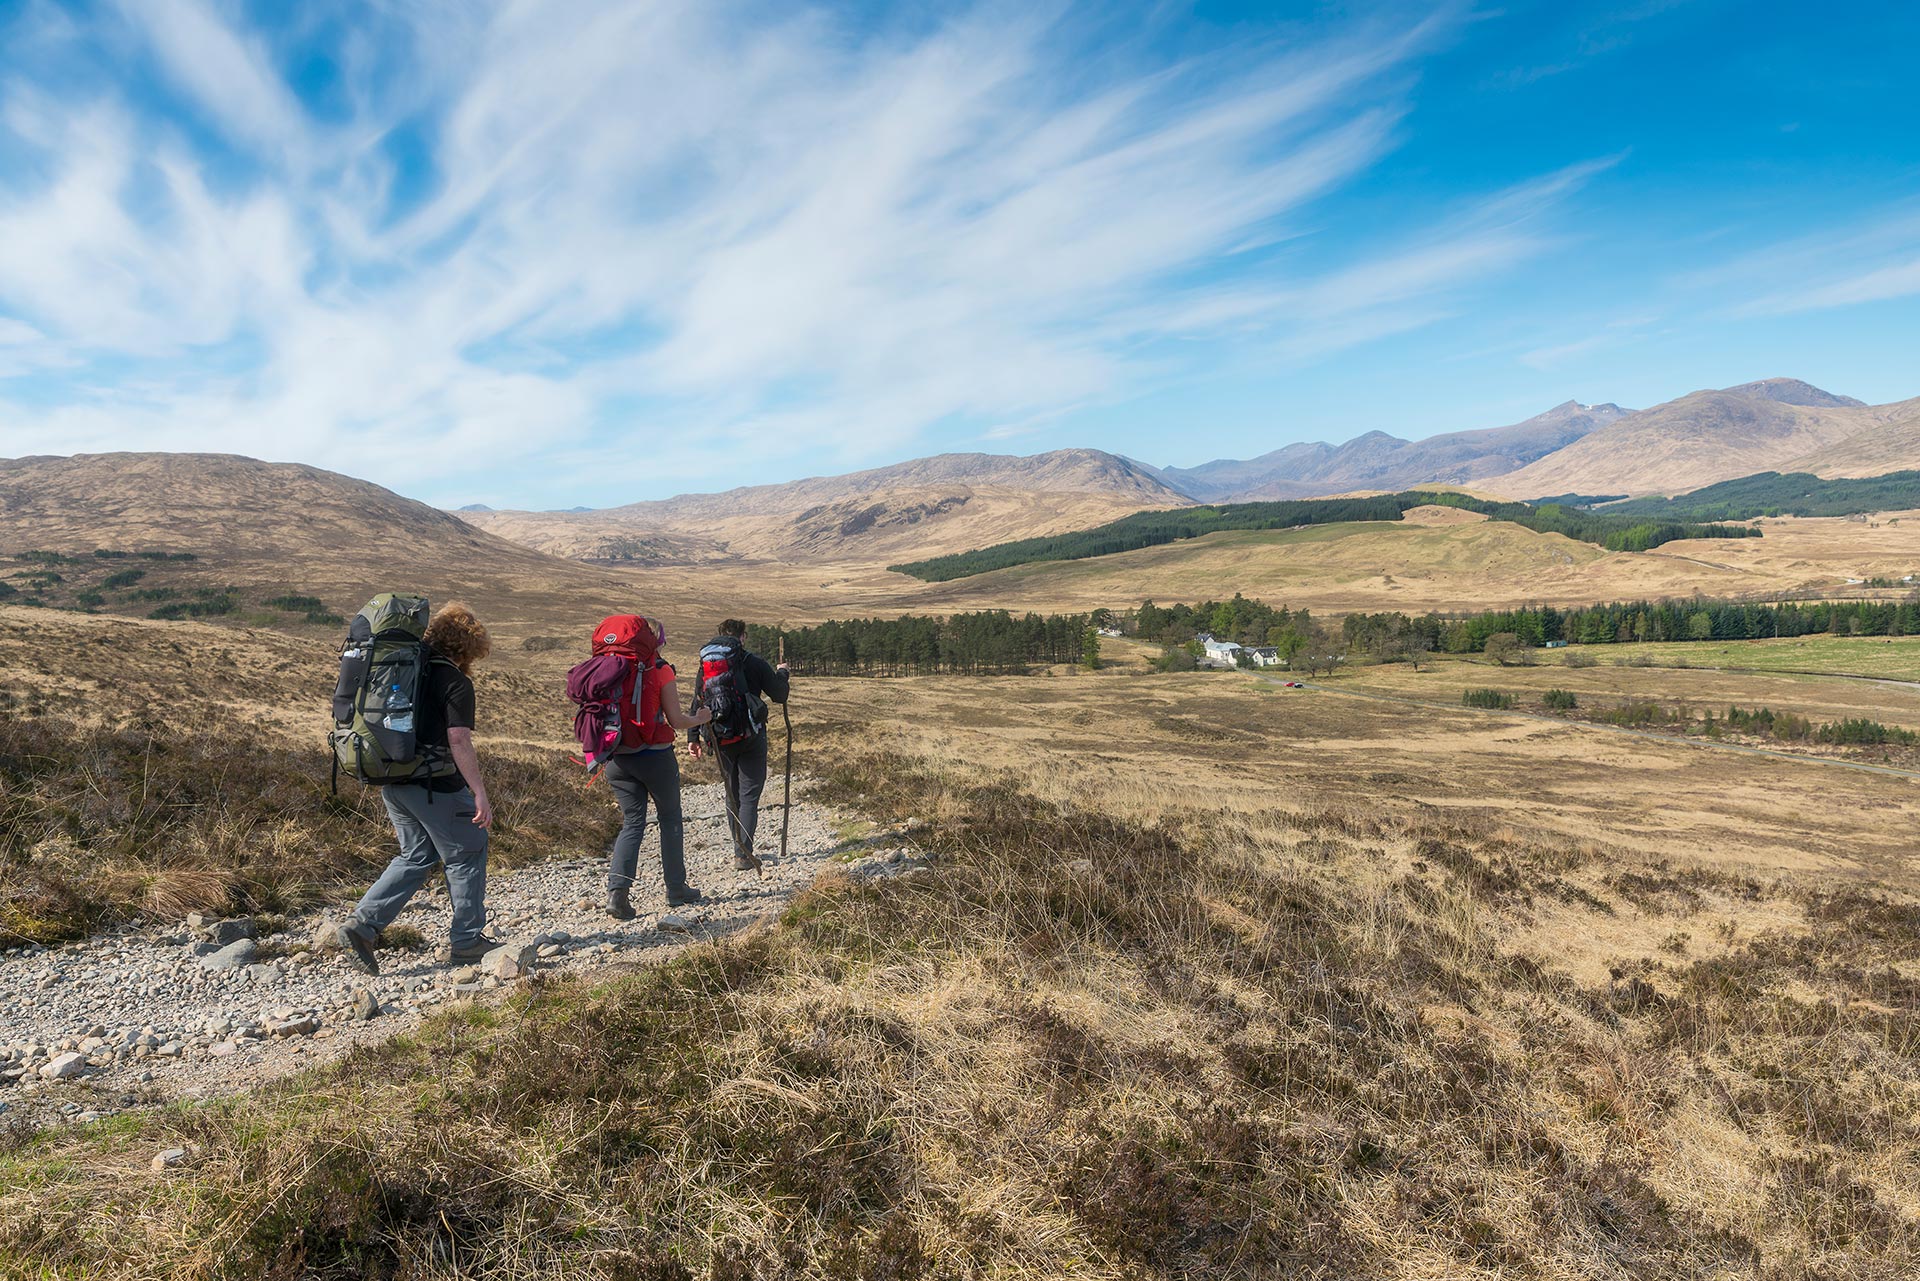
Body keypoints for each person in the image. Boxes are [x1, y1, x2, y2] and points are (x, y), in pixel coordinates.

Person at [341, 602, 496, 977]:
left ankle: (363, 926)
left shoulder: (406, 670)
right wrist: (479, 791)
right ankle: (467, 940)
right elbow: (458, 739)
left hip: (394, 781)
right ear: (469, 647)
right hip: (434, 785)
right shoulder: (455, 681)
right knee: (467, 849)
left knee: (417, 855)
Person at [602, 618, 713, 920]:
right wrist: (701, 718)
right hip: (655, 757)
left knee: (632, 823)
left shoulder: (610, 667)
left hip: (617, 759)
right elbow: (677, 720)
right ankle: (676, 888)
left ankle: (617, 894)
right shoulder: (660, 669)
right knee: (670, 817)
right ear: (657, 640)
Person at [690, 619, 790, 872]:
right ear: (742, 637)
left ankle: (739, 848)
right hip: (751, 737)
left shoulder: (707, 666)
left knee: (731, 795)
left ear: (720, 637)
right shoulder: (753, 662)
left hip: (720, 738)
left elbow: (698, 701)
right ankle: (743, 854)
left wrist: (692, 737)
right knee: (748, 797)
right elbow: (779, 694)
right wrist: (783, 672)